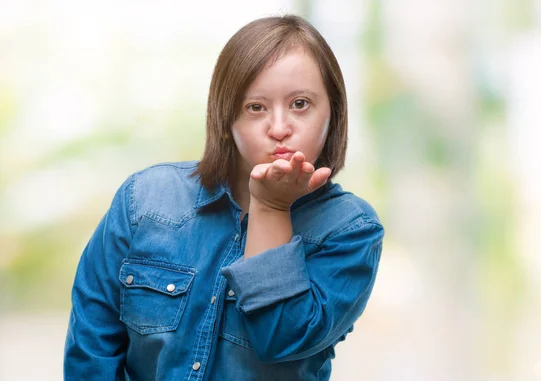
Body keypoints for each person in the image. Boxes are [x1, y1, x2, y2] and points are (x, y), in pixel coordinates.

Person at [64, 14, 384, 381]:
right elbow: (93, 345)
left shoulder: (351, 231)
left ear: (333, 113)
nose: (279, 128)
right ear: (226, 118)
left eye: (300, 104)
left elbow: (281, 338)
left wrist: (271, 206)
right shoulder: (144, 201)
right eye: (256, 107)